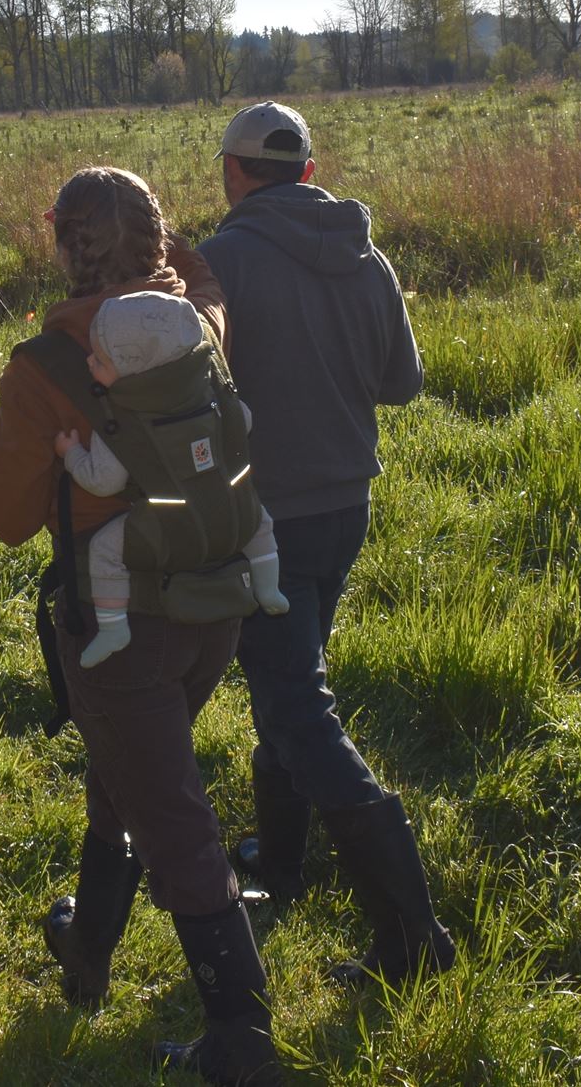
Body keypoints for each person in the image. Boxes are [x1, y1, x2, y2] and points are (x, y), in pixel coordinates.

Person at [0, 168, 275, 1083]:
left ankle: (242, 1040)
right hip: (214, 606)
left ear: (59, 241)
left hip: (118, 624)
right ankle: (90, 943)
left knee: (176, 820)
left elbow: (6, 516)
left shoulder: (45, 365)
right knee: (135, 770)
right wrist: (167, 248)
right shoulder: (199, 326)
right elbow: (208, 278)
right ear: (156, 239)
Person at [194, 102, 453, 985]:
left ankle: (411, 931)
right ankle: (281, 860)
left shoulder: (219, 261)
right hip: (346, 511)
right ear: (308, 170)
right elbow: (403, 384)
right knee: (292, 686)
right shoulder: (366, 255)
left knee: (299, 706)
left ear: (232, 172)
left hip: (262, 520)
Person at [53, 289, 289, 668]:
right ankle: (268, 587)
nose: (89, 362)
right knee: (260, 521)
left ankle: (113, 627)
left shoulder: (120, 419)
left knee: (104, 550)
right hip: (230, 511)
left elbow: (104, 482)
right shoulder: (208, 389)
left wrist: (71, 456)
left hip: (168, 527)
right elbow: (242, 420)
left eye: (100, 359)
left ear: (133, 367)